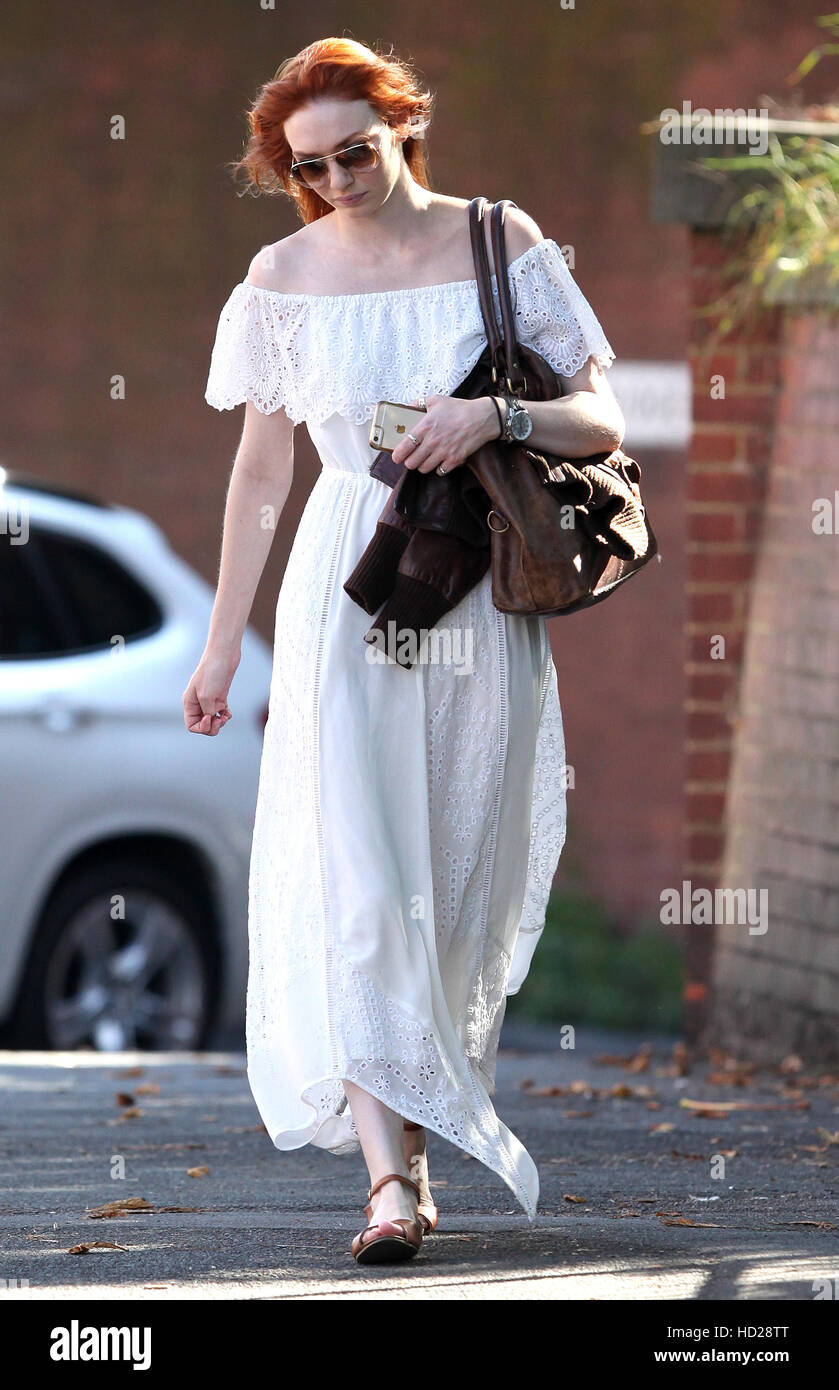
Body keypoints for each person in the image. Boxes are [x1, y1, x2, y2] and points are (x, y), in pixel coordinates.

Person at [184, 36, 625, 1264]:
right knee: (361, 878)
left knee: (456, 873)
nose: (337, 179)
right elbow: (261, 473)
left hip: (478, 583)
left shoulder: (500, 240)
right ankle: (387, 1183)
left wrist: (494, 411)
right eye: (311, 165)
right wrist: (223, 648)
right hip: (348, 586)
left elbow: (600, 412)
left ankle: (417, 1146)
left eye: (356, 151)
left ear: (402, 124)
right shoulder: (278, 276)